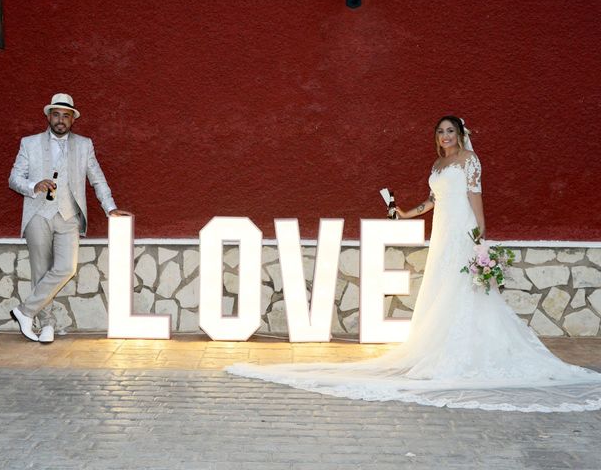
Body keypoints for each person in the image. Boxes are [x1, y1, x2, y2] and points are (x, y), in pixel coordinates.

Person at [227, 116, 601, 412]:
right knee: (442, 286)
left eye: (450, 131)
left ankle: (470, 350)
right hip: (441, 232)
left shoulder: (470, 161)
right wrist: (406, 213)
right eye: (440, 132)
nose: (445, 136)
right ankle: (443, 345)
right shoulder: (438, 165)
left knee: (467, 289)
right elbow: (433, 199)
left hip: (462, 231)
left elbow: (474, 196)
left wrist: (479, 235)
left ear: (460, 134)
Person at [9, 93, 129, 343]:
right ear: (48, 116)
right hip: (37, 214)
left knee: (66, 268)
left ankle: (24, 311)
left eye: (66, 116)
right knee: (40, 272)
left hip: (69, 216)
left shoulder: (84, 145)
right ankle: (46, 325)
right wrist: (34, 185)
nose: (61, 120)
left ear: (73, 120)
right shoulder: (29, 143)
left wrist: (110, 208)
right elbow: (14, 178)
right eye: (56, 115)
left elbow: (97, 178)